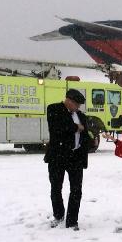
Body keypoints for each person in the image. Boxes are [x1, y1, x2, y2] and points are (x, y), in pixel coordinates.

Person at [45, 89, 91, 230]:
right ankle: (58, 215)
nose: (78, 108)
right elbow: (58, 127)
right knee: (56, 188)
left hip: (75, 156)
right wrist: (77, 127)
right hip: (58, 156)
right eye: (76, 105)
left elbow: (84, 134)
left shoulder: (81, 116)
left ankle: (72, 221)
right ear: (69, 101)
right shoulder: (54, 109)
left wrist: (90, 141)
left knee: (76, 189)